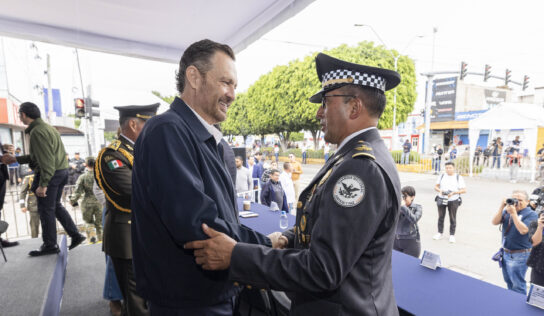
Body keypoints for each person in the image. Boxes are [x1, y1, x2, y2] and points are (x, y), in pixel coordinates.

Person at [185, 52, 402, 315]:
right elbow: (324, 226)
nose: (319, 112)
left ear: (354, 107)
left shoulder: (360, 168)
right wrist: (287, 240)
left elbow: (323, 269)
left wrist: (236, 255)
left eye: (325, 102)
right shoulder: (351, 157)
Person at [130, 39, 271, 315]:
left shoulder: (203, 137)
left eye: (235, 86)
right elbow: (201, 226)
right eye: (225, 82)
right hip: (189, 303)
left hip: (211, 296)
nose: (232, 94)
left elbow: (224, 220)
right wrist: (266, 245)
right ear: (194, 77)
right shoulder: (167, 131)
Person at [95, 104, 158, 316]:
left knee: (151, 296)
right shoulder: (111, 155)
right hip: (128, 238)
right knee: (136, 302)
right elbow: (132, 190)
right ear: (133, 124)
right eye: (149, 123)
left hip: (148, 234)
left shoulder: (144, 150)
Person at [1, 102, 85, 256]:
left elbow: (46, 161)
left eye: (20, 114)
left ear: (24, 115)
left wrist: (43, 184)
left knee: (46, 209)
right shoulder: (47, 128)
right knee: (55, 206)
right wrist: (16, 159)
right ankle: (76, 235)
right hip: (61, 171)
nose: (20, 117)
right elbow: (37, 156)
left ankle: (50, 245)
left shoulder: (37, 132)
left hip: (50, 174)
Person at [491, 191, 538, 294]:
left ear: (527, 202)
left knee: (517, 284)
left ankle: (519, 306)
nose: (516, 202)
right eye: (514, 199)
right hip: (506, 252)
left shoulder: (532, 214)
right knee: (508, 281)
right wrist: (501, 207)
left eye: (520, 200)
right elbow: (494, 222)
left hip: (520, 254)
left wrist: (514, 214)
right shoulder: (508, 210)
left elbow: (524, 230)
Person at [93, 179, 123, 316]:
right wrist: (111, 204)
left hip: (138, 208)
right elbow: (97, 188)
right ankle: (114, 298)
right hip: (115, 209)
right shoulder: (107, 157)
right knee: (115, 255)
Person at [70, 157, 102, 243]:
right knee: (100, 223)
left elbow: (78, 191)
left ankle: (92, 238)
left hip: (87, 202)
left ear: (86, 165)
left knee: (88, 222)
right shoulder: (100, 175)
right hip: (100, 202)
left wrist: (73, 200)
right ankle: (101, 240)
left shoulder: (83, 177)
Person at [433, 161, 467, 243]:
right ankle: (439, 233)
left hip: (453, 200)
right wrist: (440, 190)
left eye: (450, 168)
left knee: (452, 218)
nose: (448, 169)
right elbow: (436, 186)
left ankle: (452, 235)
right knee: (441, 217)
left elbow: (464, 190)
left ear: (453, 168)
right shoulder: (442, 176)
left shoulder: (458, 177)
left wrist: (453, 193)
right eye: (447, 168)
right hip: (441, 198)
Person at [394, 186, 422, 258]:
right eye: (402, 196)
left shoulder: (417, 207)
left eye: (405, 196)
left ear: (412, 197)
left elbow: (414, 219)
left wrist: (403, 207)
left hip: (411, 241)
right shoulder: (396, 205)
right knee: (396, 264)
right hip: (395, 240)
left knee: (410, 264)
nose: (403, 198)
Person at [20, 172, 39, 238]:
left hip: (46, 204)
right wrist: (22, 205)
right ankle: (34, 241)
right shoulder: (28, 177)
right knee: (34, 225)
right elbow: (23, 192)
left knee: (48, 225)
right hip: (34, 204)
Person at [527, 211, 544, 287]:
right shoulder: (536, 224)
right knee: (536, 295)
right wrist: (540, 227)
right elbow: (535, 243)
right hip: (539, 266)